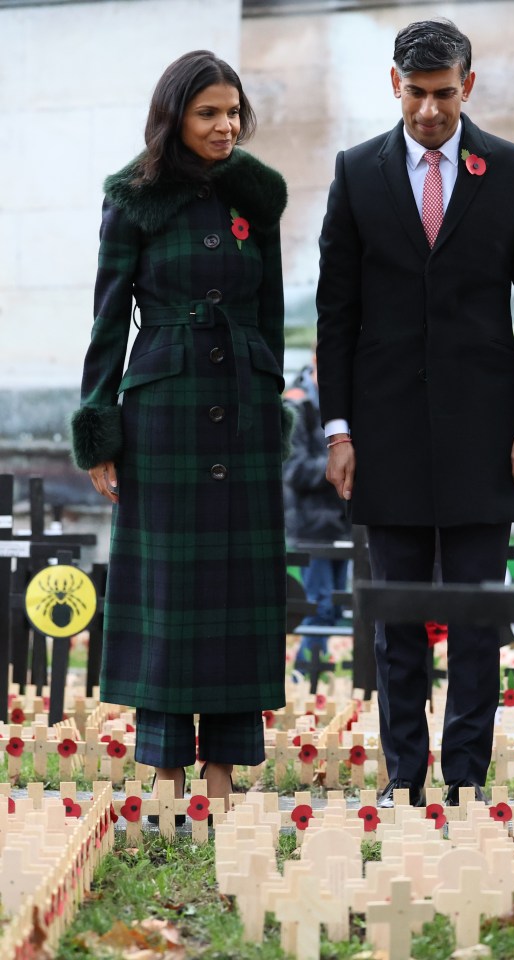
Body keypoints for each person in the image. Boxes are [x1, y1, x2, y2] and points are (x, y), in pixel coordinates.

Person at [316, 19, 514, 808]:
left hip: (489, 440)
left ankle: (463, 779)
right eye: (416, 94)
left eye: (444, 94)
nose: (429, 111)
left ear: (469, 85)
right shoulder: (357, 173)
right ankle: (402, 776)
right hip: (382, 439)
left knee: (479, 619)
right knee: (397, 621)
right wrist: (338, 427)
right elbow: (336, 313)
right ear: (395, 84)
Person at [71, 50, 289, 813]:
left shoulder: (257, 197)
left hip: (245, 413)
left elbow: (273, 315)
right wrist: (99, 429)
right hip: (162, 414)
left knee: (235, 587)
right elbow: (106, 321)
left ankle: (225, 771)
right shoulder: (133, 198)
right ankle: (164, 768)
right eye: (208, 113)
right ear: (175, 117)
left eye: (234, 112)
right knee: (167, 593)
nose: (226, 126)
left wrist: (272, 400)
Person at [283, 352, 351, 675]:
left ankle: (314, 677)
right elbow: (292, 469)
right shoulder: (296, 404)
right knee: (319, 606)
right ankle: (304, 676)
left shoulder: (343, 402)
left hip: (342, 524)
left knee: (334, 610)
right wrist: (339, 463)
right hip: (312, 526)